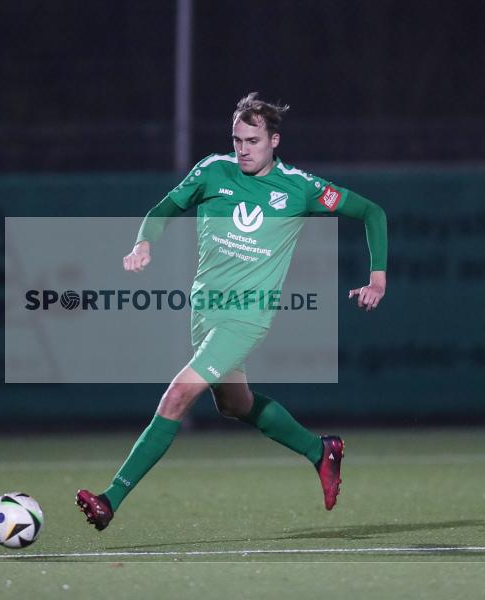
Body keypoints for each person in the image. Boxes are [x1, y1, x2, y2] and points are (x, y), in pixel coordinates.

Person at [76, 92, 387, 530]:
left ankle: (111, 498)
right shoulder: (212, 170)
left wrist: (377, 277)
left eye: (253, 140)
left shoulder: (300, 187)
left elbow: (371, 212)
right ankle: (322, 450)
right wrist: (143, 241)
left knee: (178, 394)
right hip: (204, 311)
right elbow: (163, 209)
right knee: (236, 405)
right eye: (237, 139)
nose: (242, 148)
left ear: (274, 141)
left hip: (247, 316)